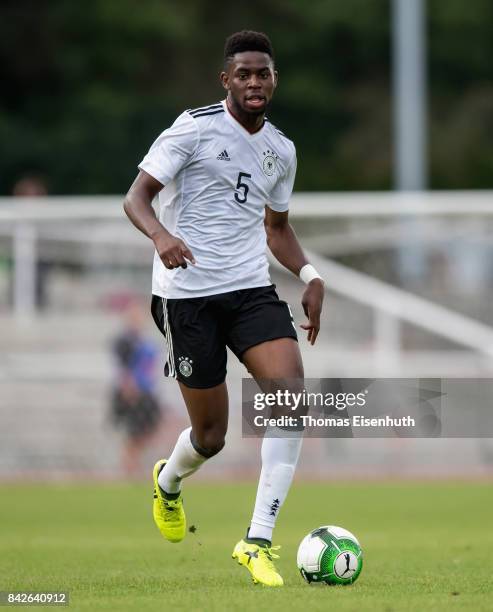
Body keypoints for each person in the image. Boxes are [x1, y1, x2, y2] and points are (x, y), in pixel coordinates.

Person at [123, 30, 325, 587]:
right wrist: (161, 235)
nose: (254, 83)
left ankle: (257, 540)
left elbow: (276, 228)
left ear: (274, 79)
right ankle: (168, 482)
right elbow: (135, 197)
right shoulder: (194, 127)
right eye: (244, 74)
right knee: (210, 437)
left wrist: (308, 274)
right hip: (185, 296)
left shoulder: (280, 149)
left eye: (263, 73)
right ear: (227, 80)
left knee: (289, 397)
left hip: (249, 291)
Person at [109, 299, 163, 477]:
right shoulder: (126, 340)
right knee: (134, 434)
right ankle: (129, 468)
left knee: (147, 431)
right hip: (136, 394)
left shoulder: (142, 340)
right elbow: (124, 368)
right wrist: (129, 390)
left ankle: (134, 465)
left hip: (147, 392)